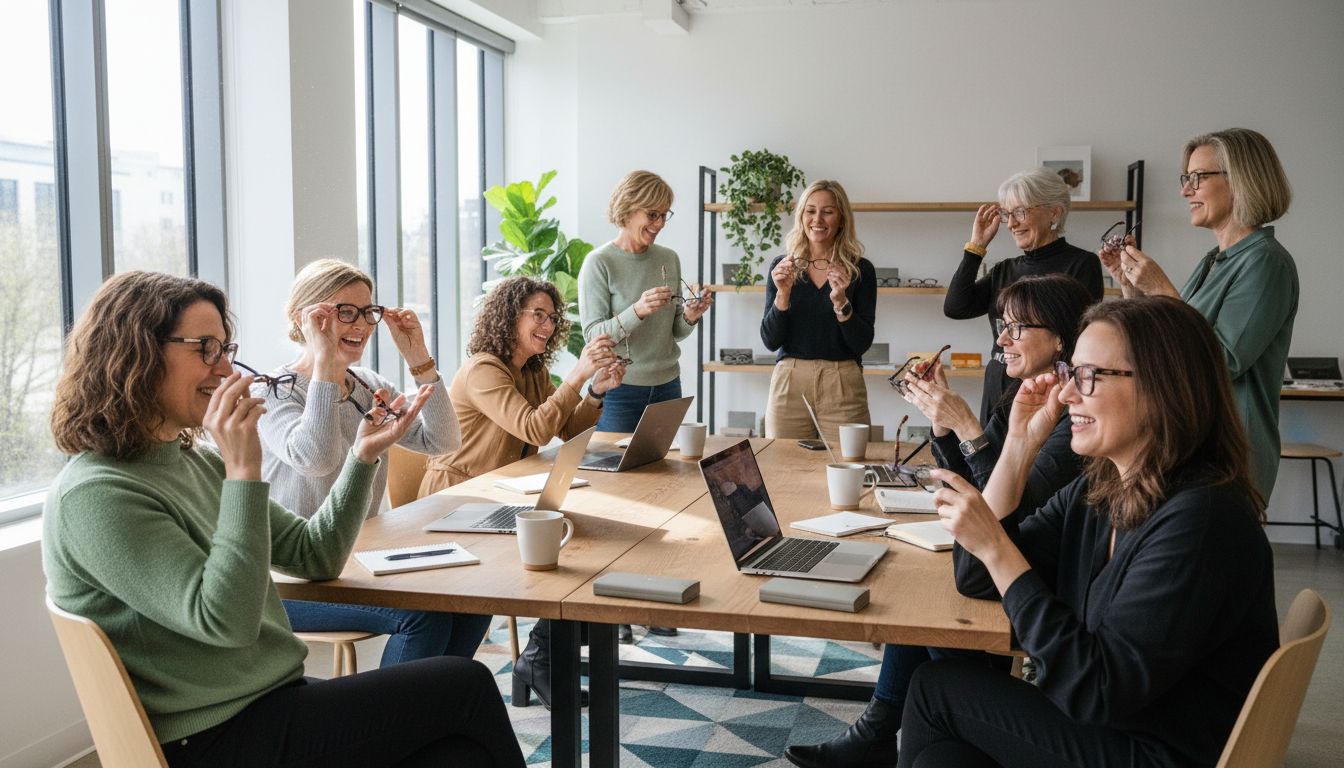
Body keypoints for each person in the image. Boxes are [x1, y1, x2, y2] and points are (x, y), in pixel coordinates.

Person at [43, 271, 524, 767]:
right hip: (214, 735)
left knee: (453, 749)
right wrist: (244, 471)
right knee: (463, 685)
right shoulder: (97, 494)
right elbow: (226, 623)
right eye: (205, 348)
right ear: (135, 354)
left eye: (225, 347)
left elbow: (316, 556)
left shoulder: (194, 461)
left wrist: (361, 459)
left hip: (270, 701)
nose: (226, 368)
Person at [898, 296, 1277, 768]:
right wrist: (1018, 446)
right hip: (1115, 727)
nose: (1069, 395)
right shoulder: (1101, 489)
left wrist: (998, 548)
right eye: (1071, 374)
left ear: (1165, 387)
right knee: (944, 758)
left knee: (937, 690)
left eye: (1090, 376)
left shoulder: (1203, 520)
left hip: (1156, 750)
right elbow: (975, 579)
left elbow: (1095, 690)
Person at [784, 274, 1094, 768]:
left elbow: (1007, 509)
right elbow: (967, 478)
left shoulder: (1071, 419)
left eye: (1017, 328)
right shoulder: (1023, 395)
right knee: (922, 594)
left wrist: (971, 429)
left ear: (1061, 338)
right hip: (1002, 562)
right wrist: (945, 426)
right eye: (1002, 326)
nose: (1002, 339)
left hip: (1025, 575)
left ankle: (941, 725)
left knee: (931, 602)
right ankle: (886, 728)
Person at [258, 259, 490, 667]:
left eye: (368, 312)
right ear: (304, 318)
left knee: (473, 596)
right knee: (423, 617)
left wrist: (417, 357)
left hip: (357, 560)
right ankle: (394, 726)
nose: (362, 324)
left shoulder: (368, 386)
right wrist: (326, 368)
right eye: (344, 311)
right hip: (290, 579)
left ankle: (434, 716)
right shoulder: (273, 392)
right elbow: (315, 457)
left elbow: (443, 441)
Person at [419, 275, 624, 708]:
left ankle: (539, 656)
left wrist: (595, 391)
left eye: (552, 317)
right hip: (457, 499)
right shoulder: (483, 370)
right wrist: (578, 375)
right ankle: (540, 658)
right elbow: (533, 427)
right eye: (538, 314)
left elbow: (567, 428)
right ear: (509, 315)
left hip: (499, 497)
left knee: (584, 539)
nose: (548, 325)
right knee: (569, 543)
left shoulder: (532, 372)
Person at [1098, 128, 1296, 498]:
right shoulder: (1213, 262)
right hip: (1188, 443)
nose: (1184, 191)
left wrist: (1160, 289)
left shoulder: (1266, 262)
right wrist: (1131, 287)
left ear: (1240, 179)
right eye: (1185, 178)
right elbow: (1165, 340)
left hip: (1226, 455)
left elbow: (1221, 358)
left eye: (1196, 178)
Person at [944, 168, 1104, 423]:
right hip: (999, 383)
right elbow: (956, 307)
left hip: (1047, 390)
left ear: (1054, 212)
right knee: (991, 461)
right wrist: (976, 246)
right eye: (1007, 214)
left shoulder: (1082, 264)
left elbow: (1081, 338)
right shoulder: (1005, 269)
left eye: (1021, 212)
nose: (1011, 224)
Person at [578, 170, 713, 433]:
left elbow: (675, 332)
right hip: (619, 389)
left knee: (666, 471)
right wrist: (637, 310)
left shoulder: (668, 258)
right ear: (627, 209)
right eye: (653, 214)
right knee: (615, 473)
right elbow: (593, 337)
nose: (660, 223)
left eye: (664, 215)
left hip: (668, 386)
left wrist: (690, 315)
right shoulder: (599, 263)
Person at [761, 179, 876, 441]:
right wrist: (783, 294)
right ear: (801, 216)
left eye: (828, 211)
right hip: (790, 381)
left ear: (842, 218)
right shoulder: (782, 267)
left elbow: (861, 342)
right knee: (783, 469)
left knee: (849, 468)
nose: (818, 219)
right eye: (810, 210)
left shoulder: (861, 270)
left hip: (843, 382)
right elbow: (770, 340)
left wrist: (840, 302)